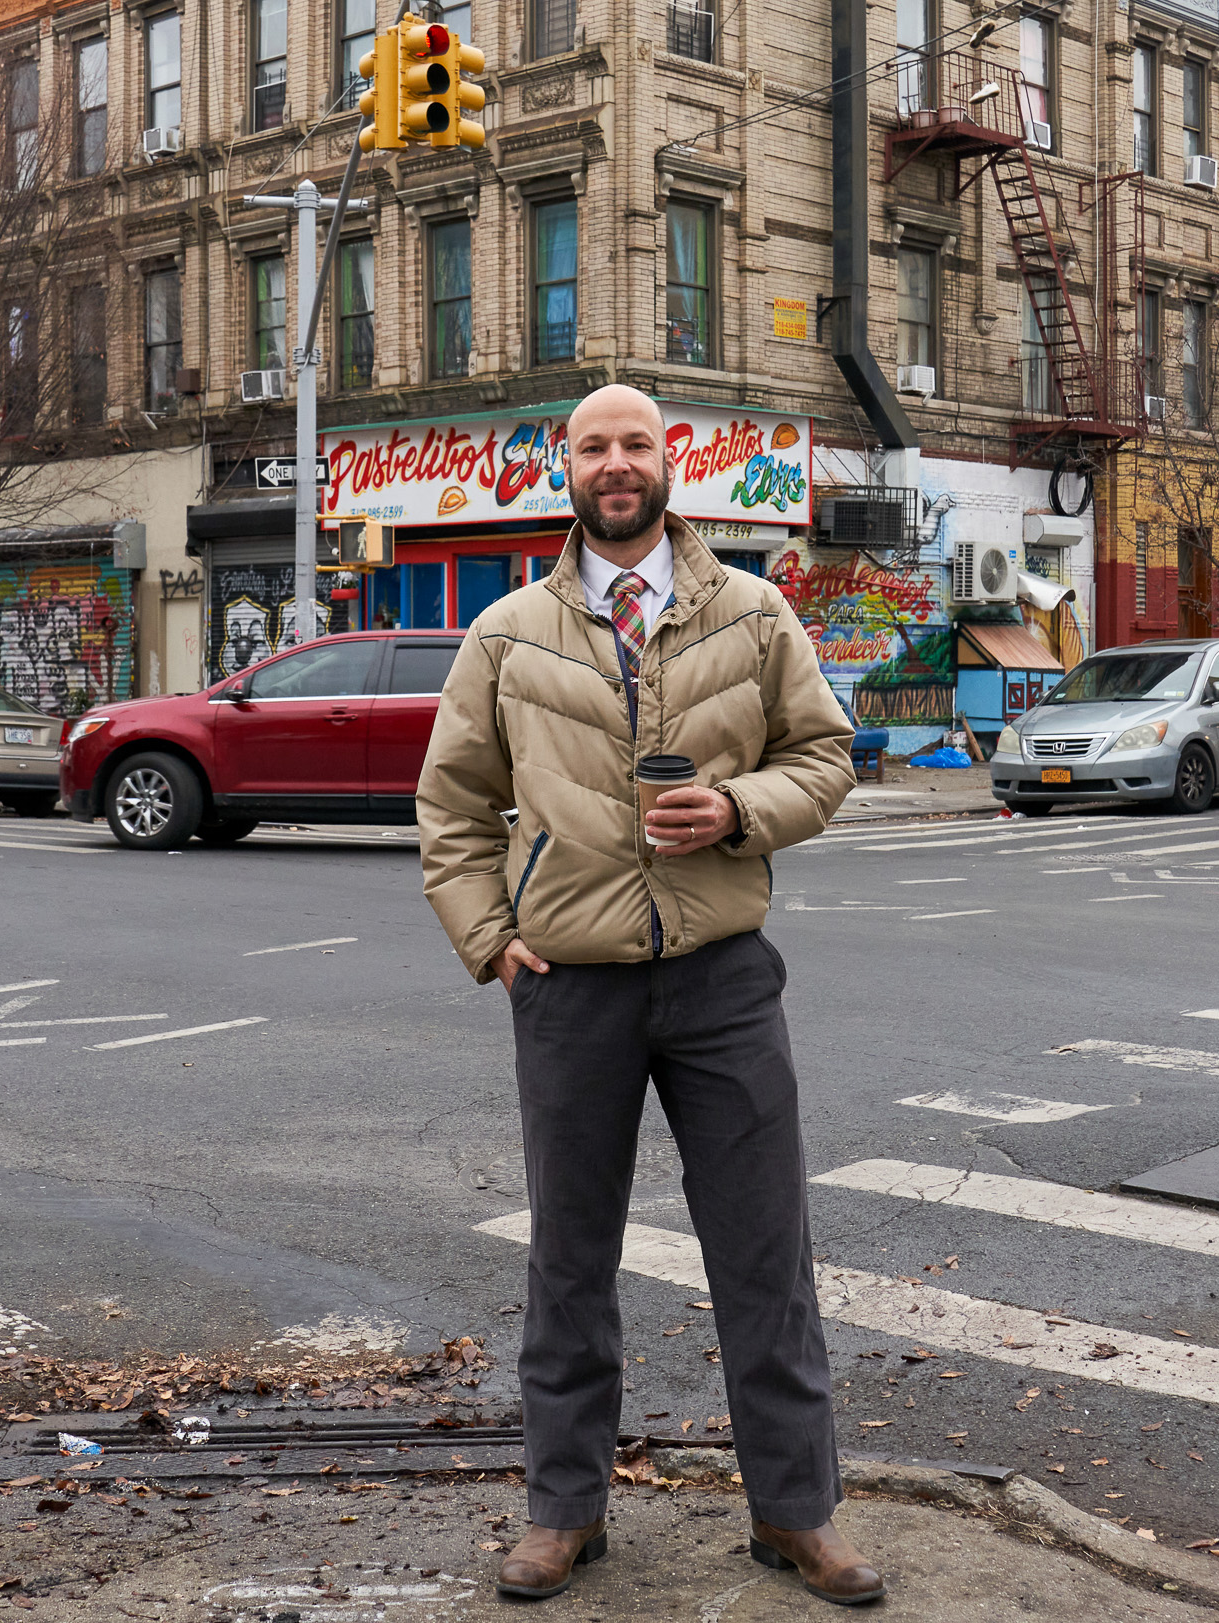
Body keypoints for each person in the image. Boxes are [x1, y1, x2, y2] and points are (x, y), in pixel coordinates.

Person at [417, 384, 880, 1605]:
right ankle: (562, 1510)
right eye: (593, 446)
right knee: (569, 1258)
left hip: (723, 976)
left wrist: (740, 809)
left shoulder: (754, 610)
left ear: (667, 462)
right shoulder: (508, 633)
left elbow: (826, 758)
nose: (615, 464)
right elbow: (452, 808)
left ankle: (795, 1512)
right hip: (571, 988)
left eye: (635, 443)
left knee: (764, 1253)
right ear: (562, 468)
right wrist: (491, 938)